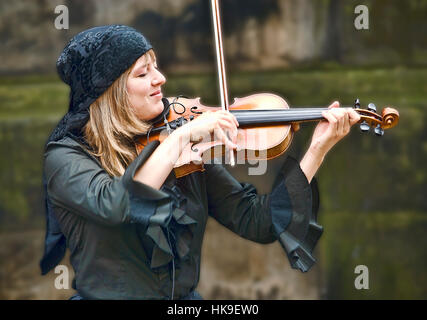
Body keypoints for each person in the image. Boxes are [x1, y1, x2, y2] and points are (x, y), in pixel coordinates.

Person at [40, 25, 360, 300]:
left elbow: (257, 221)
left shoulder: (185, 151)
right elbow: (116, 205)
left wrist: (318, 148)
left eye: (156, 67)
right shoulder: (66, 157)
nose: (161, 79)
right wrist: (180, 138)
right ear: (108, 91)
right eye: (143, 73)